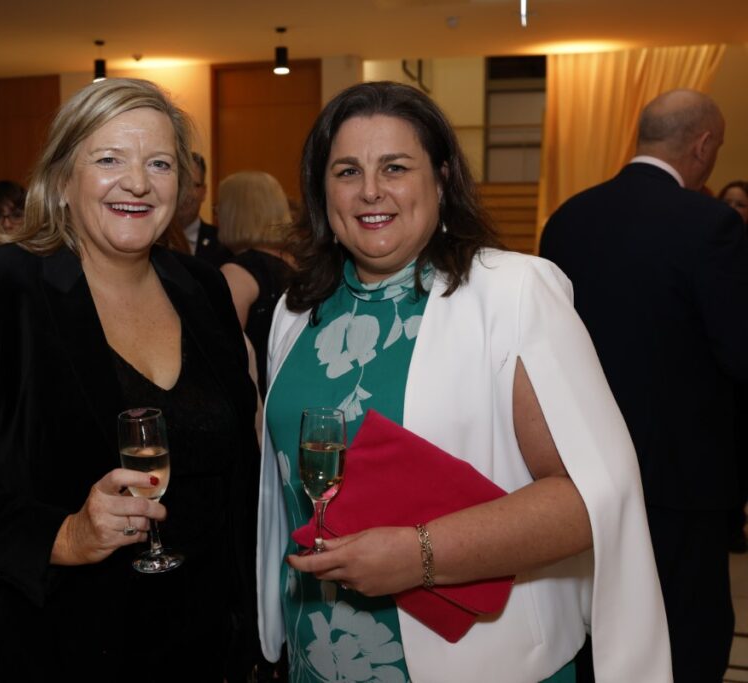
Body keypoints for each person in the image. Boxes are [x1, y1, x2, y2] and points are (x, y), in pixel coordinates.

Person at [256, 81, 670, 683]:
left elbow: (590, 498)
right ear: (323, 191)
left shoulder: (513, 293)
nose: (370, 190)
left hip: (479, 660)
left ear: (442, 179)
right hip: (316, 655)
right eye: (347, 171)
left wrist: (419, 555)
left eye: (395, 167)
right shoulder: (297, 311)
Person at [0, 78, 261, 681]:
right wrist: (64, 535)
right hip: (37, 643)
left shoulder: (202, 288)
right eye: (109, 159)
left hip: (197, 642)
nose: (137, 182)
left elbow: (236, 476)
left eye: (159, 163)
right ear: (60, 180)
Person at [541, 89, 748, 683]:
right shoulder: (710, 224)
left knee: (598, 628)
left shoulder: (568, 219)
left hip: (585, 466)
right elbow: (739, 352)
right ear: (703, 146)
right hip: (683, 475)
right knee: (686, 633)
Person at [216, 170, 295, 400]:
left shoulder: (237, 273)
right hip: (287, 396)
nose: (217, 214)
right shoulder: (297, 263)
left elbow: (226, 358)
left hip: (255, 403)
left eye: (220, 207)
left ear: (235, 213)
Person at [175, 151, 232, 267]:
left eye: (193, 185)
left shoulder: (224, 243)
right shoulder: (151, 241)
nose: (186, 193)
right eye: (180, 184)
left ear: (204, 192)